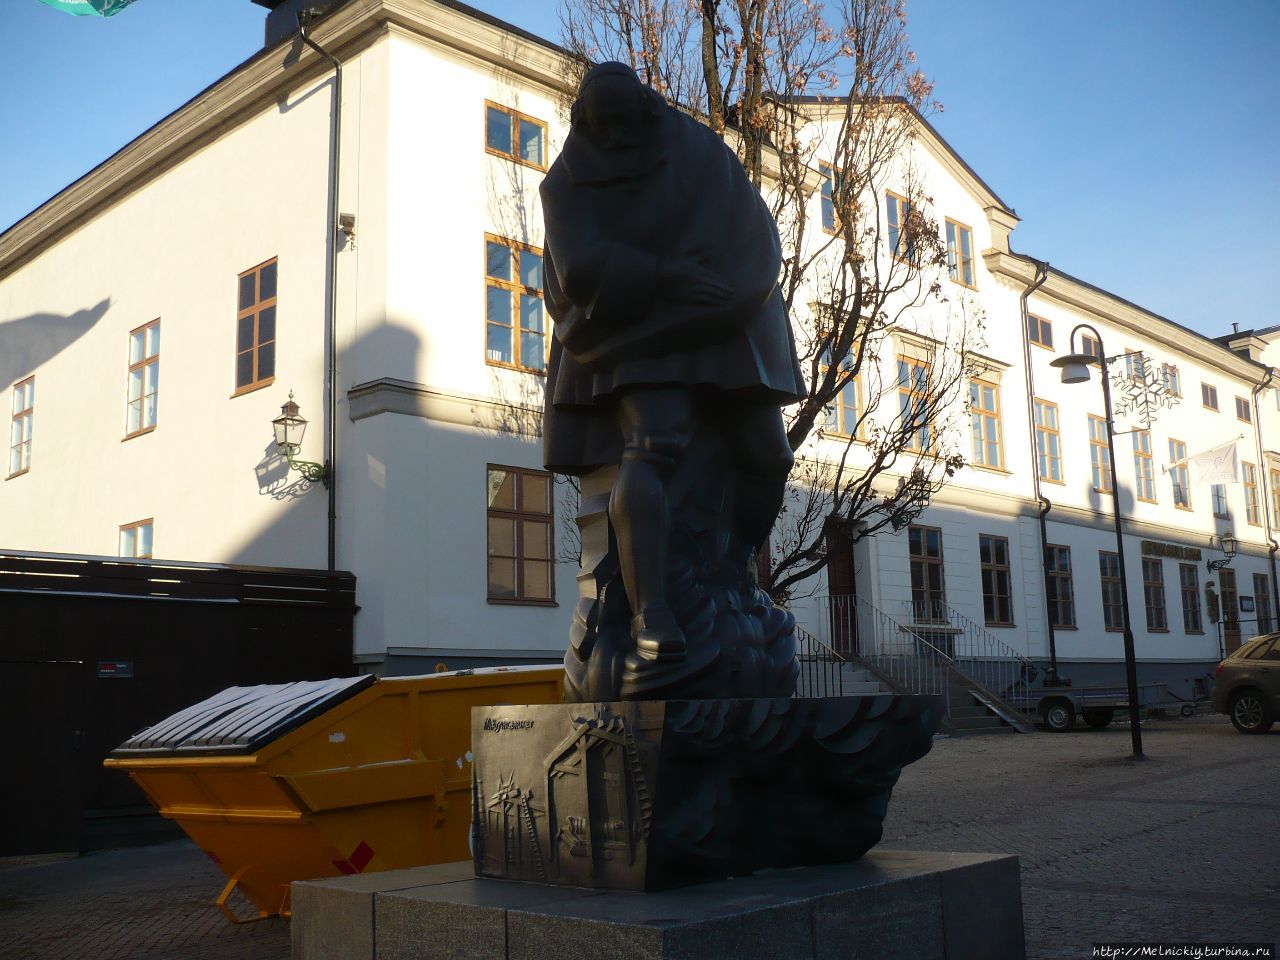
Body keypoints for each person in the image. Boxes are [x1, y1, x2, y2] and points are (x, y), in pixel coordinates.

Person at [541, 61, 805, 672]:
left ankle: (736, 568)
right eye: (603, 128)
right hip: (631, 331)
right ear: (585, 123)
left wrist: (723, 290)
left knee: (770, 453)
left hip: (721, 321)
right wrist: (665, 276)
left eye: (626, 124)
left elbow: (753, 235)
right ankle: (648, 611)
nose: (617, 140)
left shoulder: (697, 149)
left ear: (647, 110)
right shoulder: (566, 180)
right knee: (654, 441)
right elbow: (578, 267)